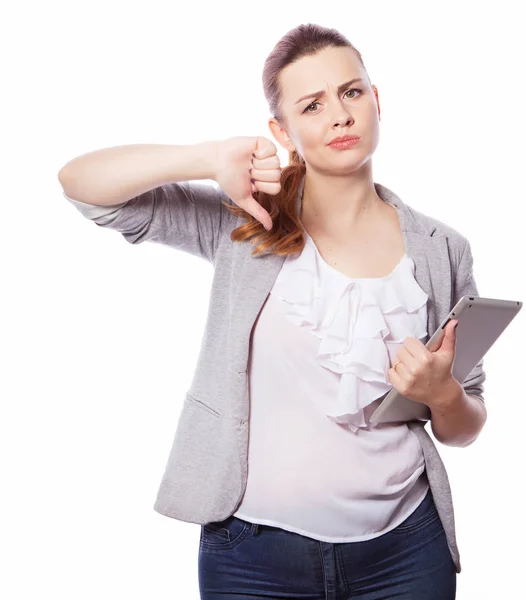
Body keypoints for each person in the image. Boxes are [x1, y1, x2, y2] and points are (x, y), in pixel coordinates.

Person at [59, 22, 487, 600]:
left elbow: (465, 425)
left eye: (351, 92)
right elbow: (83, 186)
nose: (340, 115)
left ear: (377, 100)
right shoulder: (246, 223)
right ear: (281, 130)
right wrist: (207, 158)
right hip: (254, 558)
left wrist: (443, 395)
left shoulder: (442, 249)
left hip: (405, 554)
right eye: (312, 105)